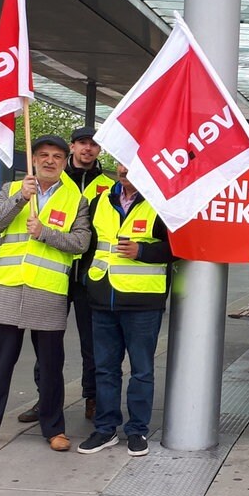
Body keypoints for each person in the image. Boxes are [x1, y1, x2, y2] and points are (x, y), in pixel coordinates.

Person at [0, 135, 90, 452]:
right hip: (9, 290)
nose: (49, 160)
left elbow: (81, 243)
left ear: (63, 160)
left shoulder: (76, 198)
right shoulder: (13, 190)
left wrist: (45, 233)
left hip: (48, 294)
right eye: (43, 155)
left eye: (56, 156)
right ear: (33, 160)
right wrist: (19, 200)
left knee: (50, 367)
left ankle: (53, 429)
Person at [18, 125, 115, 425]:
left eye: (94, 145)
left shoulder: (107, 185)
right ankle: (44, 399)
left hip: (89, 278)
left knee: (92, 344)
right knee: (46, 342)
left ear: (99, 151)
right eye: (82, 143)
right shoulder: (52, 181)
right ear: (72, 147)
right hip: (55, 275)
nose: (88, 149)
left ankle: (92, 398)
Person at [77, 164, 174, 457]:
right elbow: (90, 245)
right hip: (102, 297)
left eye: (132, 162)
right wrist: (87, 282)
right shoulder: (100, 201)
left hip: (143, 302)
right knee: (105, 369)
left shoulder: (161, 204)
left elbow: (180, 248)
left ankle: (137, 431)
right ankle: (105, 429)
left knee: (141, 371)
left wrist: (142, 252)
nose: (124, 168)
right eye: (120, 161)